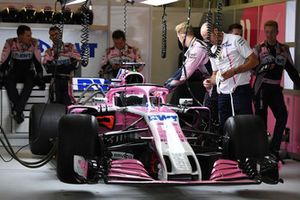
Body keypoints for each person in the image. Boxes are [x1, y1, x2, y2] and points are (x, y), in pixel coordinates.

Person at [253, 20, 300, 158]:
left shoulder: (284, 49)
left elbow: (292, 70)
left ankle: (273, 149)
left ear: (277, 32)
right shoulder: (258, 48)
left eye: (272, 32)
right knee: (261, 120)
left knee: (282, 116)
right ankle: (260, 152)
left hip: (275, 88)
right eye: (267, 32)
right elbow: (251, 70)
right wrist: (265, 67)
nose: (269, 35)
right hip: (261, 87)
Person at [200, 22, 259, 133]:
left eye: (208, 37)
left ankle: (246, 150)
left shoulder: (236, 40)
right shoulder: (212, 50)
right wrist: (208, 81)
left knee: (244, 127)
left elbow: (254, 61)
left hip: (240, 90)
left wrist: (235, 71)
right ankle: (228, 150)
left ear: (215, 31)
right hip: (223, 93)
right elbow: (215, 74)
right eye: (204, 39)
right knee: (226, 128)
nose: (207, 41)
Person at [0, 25, 44, 124]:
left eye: (31, 34)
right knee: (8, 81)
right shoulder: (10, 42)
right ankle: (18, 111)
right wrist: (1, 75)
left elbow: (37, 61)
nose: (30, 37)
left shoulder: (34, 42)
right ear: (20, 36)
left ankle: (17, 110)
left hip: (28, 71)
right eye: (28, 35)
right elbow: (4, 61)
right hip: (14, 70)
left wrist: (40, 76)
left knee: (30, 82)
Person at [43, 26, 81, 105]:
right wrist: (65, 66)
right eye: (52, 35)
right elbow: (48, 68)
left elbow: (77, 63)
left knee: (68, 104)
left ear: (60, 34)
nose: (55, 37)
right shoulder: (49, 51)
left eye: (57, 34)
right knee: (56, 104)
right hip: (56, 81)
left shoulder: (70, 47)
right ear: (50, 37)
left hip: (68, 80)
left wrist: (59, 67)